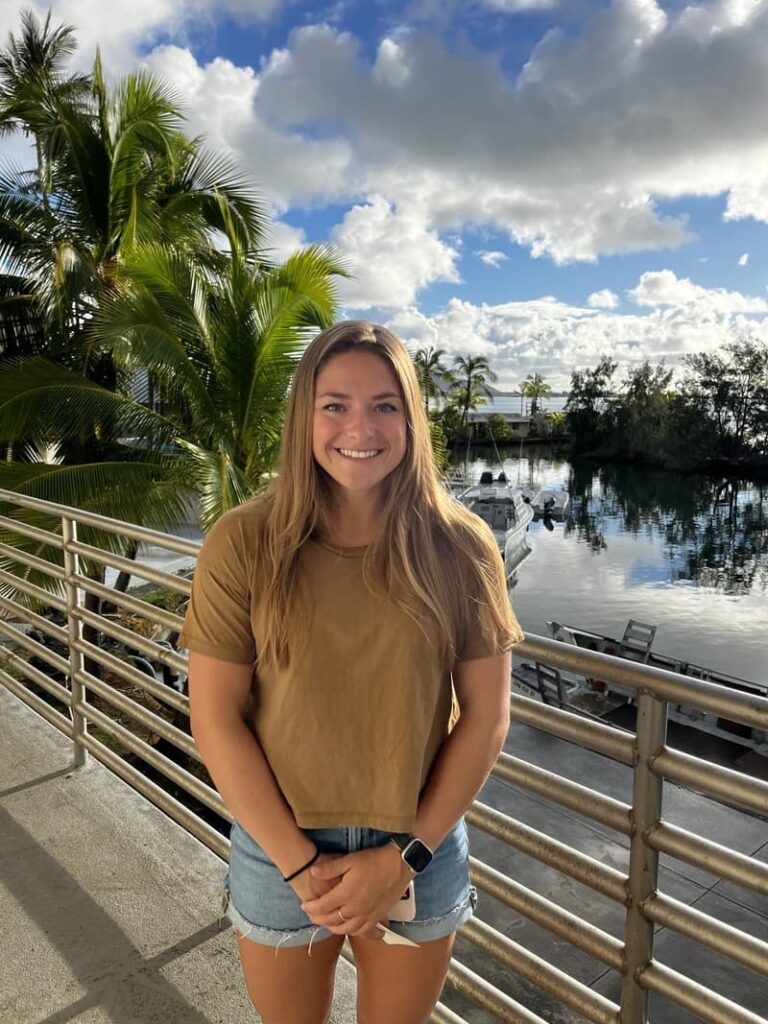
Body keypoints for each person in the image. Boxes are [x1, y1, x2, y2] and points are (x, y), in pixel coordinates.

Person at [178, 320, 523, 1024]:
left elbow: (486, 718)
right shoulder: (245, 541)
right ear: (304, 414)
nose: (358, 427)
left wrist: (404, 858)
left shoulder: (461, 546)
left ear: (411, 419)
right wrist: (302, 866)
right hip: (281, 850)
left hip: (417, 846)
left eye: (384, 405)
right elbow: (214, 717)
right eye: (334, 404)